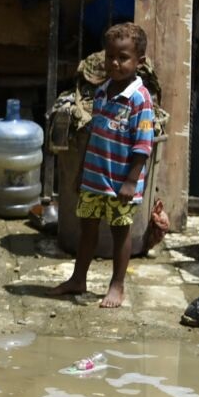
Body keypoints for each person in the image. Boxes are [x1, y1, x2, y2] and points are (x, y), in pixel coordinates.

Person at [49, 22, 156, 308]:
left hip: (121, 184)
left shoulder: (139, 99)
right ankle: (78, 278)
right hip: (94, 180)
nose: (115, 63)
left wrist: (131, 181)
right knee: (88, 230)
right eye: (110, 56)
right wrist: (82, 171)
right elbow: (95, 137)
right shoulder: (102, 92)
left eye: (123, 58)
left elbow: (143, 145)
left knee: (121, 233)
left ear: (139, 62)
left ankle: (117, 285)